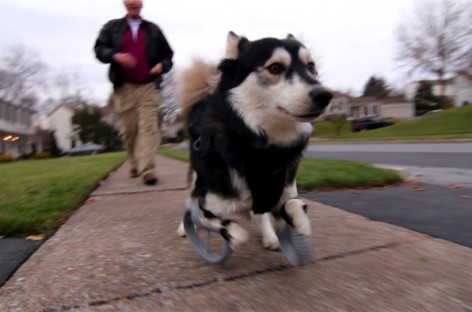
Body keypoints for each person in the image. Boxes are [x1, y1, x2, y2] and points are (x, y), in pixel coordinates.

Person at [94, 0, 173, 185]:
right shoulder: (112, 27)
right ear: (124, 3)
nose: (132, 3)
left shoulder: (153, 30)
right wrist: (116, 56)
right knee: (129, 131)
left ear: (141, 3)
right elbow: (99, 49)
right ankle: (134, 162)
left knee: (148, 127)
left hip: (149, 86)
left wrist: (162, 66)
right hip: (124, 87)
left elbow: (168, 55)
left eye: (136, 1)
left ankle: (147, 169)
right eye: (129, 1)